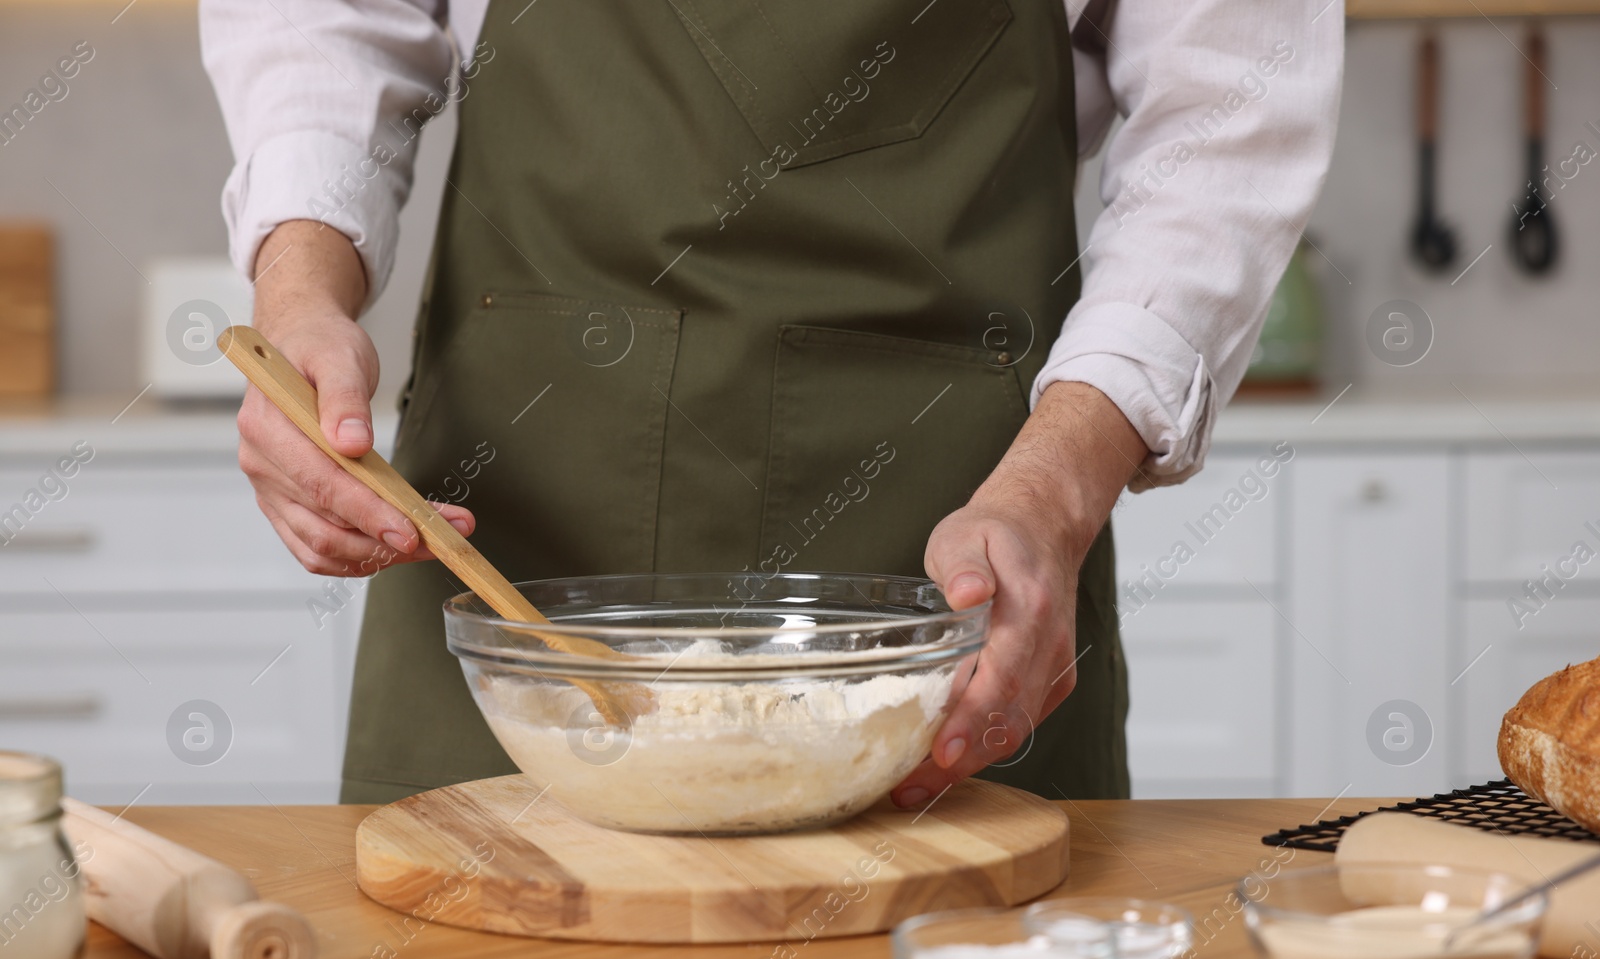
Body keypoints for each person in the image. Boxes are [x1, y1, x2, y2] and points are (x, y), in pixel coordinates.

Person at [200, 0, 1341, 805]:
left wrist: (1054, 487)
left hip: (951, 557)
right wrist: (300, 289)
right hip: (519, 540)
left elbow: (1224, 116)